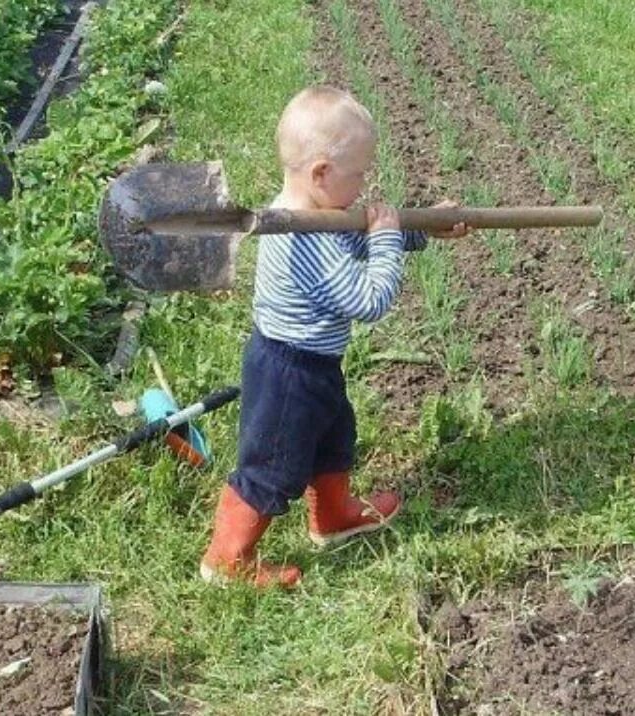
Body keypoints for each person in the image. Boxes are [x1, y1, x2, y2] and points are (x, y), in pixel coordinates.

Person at [200, 86, 470, 588]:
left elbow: (357, 239)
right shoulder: (302, 237)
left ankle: (332, 517)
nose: (366, 184)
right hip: (288, 371)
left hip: (314, 365)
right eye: (361, 173)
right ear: (322, 173)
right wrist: (388, 237)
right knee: (272, 466)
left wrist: (423, 228)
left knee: (333, 440)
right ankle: (225, 561)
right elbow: (369, 300)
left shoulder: (317, 213)